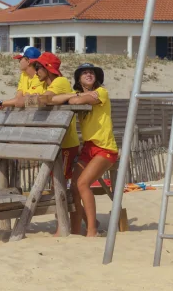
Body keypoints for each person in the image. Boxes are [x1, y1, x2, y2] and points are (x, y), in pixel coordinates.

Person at [50, 62, 118, 237]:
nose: (89, 75)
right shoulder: (80, 92)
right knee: (73, 187)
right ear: (79, 79)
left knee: (82, 184)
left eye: (91, 73)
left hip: (105, 147)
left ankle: (92, 231)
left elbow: (79, 100)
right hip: (88, 147)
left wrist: (75, 96)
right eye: (85, 73)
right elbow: (54, 99)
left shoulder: (101, 92)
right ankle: (75, 229)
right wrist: (73, 95)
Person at [30, 52, 80, 182]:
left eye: (38, 68)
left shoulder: (60, 81)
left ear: (47, 68)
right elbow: (27, 100)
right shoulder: (46, 85)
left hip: (66, 143)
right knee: (54, 181)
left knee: (60, 181)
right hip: (55, 140)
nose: (36, 72)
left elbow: (38, 100)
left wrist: (34, 99)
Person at [0, 45, 43, 112]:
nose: (19, 62)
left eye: (20, 59)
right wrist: (6, 104)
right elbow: (18, 97)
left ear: (28, 61)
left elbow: (23, 100)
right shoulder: (24, 74)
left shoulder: (40, 78)